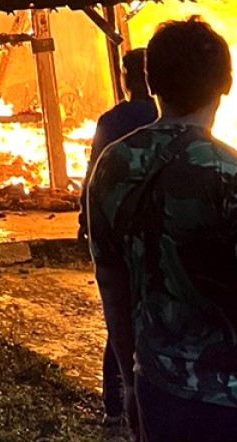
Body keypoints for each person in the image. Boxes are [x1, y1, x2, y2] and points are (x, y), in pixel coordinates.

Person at [87, 18, 237, 442]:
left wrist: (131, 381)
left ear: (151, 81)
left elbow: (112, 283)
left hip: (160, 397)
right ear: (225, 85)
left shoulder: (113, 165)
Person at [81, 48, 158, 430]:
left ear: (128, 78)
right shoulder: (166, 119)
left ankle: (116, 405)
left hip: (117, 230)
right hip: (159, 232)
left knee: (120, 319)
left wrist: (86, 219)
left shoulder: (111, 121)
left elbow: (94, 176)